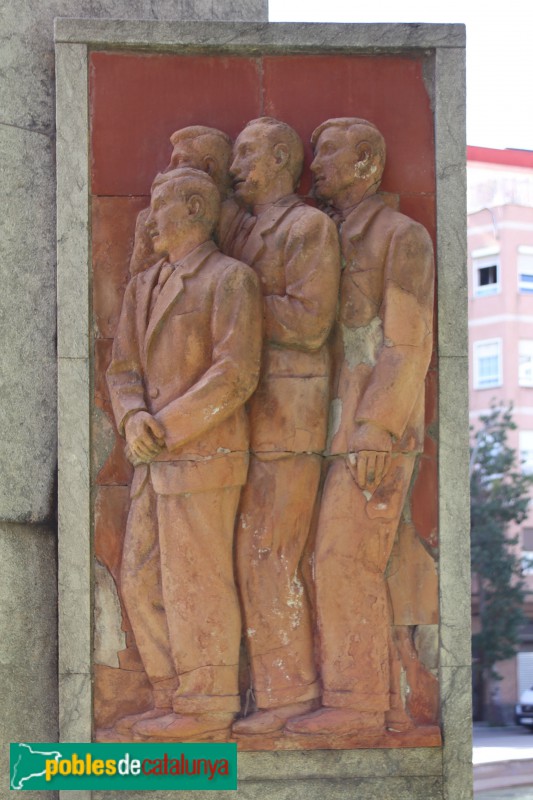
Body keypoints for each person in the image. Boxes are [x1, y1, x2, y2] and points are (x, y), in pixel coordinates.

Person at [286, 117, 434, 736]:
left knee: (342, 559)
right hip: (320, 434)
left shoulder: (401, 238)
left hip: (373, 436)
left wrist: (374, 428)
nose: (314, 165)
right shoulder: (323, 237)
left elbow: (406, 342)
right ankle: (380, 701)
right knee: (326, 562)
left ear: (368, 160)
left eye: (327, 154)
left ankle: (358, 705)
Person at [106, 167, 262, 740]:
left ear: (195, 209)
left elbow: (236, 372)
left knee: (198, 581)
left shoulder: (229, 280)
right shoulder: (143, 286)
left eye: (160, 207)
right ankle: (172, 695)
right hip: (153, 457)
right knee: (142, 581)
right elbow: (121, 369)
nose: (150, 221)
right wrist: (131, 416)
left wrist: (164, 425)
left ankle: (209, 702)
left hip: (203, 456)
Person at [221, 117, 340, 735]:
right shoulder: (241, 227)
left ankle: (290, 697)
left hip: (290, 419)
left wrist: (231, 298)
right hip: (246, 419)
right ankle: (272, 690)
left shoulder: (307, 227)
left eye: (246, 153)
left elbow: (312, 321)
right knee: (251, 557)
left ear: (280, 159)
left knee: (271, 556)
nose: (236, 164)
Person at [129, 125, 242, 276]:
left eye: (180, 161)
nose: (169, 169)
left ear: (209, 167)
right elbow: (140, 280)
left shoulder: (240, 218)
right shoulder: (148, 220)